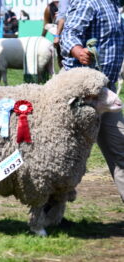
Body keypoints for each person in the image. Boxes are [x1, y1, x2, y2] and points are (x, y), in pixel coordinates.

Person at [60, 0, 124, 202]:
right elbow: (69, 33)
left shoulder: (115, 5)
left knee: (121, 149)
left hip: (106, 93)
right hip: (80, 94)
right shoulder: (89, 2)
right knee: (59, 154)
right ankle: (48, 214)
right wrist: (78, 51)